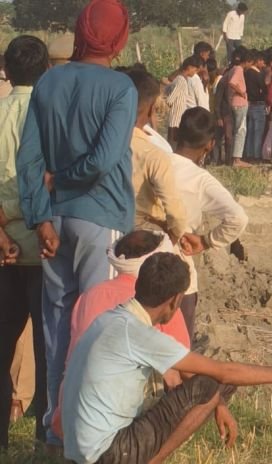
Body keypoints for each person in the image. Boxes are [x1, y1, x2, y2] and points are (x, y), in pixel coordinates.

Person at [61, 252, 272, 464]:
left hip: (79, 450)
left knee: (209, 388)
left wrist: (219, 405)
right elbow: (220, 373)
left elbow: (191, 368)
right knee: (209, 385)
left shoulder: (112, 319)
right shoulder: (138, 334)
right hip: (110, 453)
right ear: (175, 301)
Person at [15, 0, 137, 446]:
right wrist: (64, 179)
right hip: (101, 220)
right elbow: (104, 161)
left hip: (53, 223)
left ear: (80, 32)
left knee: (57, 326)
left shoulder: (48, 81)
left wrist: (40, 217)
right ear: (120, 37)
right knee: (97, 327)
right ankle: (90, 435)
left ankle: (55, 429)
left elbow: (27, 159)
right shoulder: (121, 90)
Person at [50, 230, 191, 439]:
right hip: (118, 426)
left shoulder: (90, 295)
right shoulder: (160, 302)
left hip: (70, 420)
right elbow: (188, 368)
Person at [0, 34, 50, 448]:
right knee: (48, 348)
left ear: (6, 70)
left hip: (4, 245)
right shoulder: (51, 117)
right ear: (46, 69)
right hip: (44, 246)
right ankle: (44, 440)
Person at [168, 107, 249, 343]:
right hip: (178, 266)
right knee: (179, 350)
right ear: (210, 145)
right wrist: (205, 241)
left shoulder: (155, 161)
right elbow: (238, 218)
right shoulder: (200, 179)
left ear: (176, 134)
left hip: (138, 266)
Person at [126, 68, 189, 243]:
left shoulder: (104, 142)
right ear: (152, 108)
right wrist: (177, 233)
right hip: (144, 234)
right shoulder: (155, 152)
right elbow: (175, 214)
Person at [166, 55, 202, 148]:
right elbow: (170, 100)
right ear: (189, 67)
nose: (195, 72)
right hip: (175, 120)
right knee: (173, 145)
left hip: (178, 119)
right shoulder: (181, 80)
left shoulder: (182, 79)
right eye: (194, 69)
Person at [226, 46, 251, 167]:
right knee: (241, 130)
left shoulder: (233, 69)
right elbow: (232, 83)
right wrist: (241, 92)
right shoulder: (239, 70)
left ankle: (235, 157)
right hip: (239, 103)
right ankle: (237, 159)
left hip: (235, 102)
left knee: (237, 130)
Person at [244, 49, 267, 160]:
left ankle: (249, 154)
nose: (263, 64)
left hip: (250, 104)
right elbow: (264, 88)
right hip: (258, 104)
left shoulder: (246, 72)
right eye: (262, 61)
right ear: (258, 61)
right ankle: (257, 155)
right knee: (258, 132)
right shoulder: (257, 74)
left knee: (250, 131)